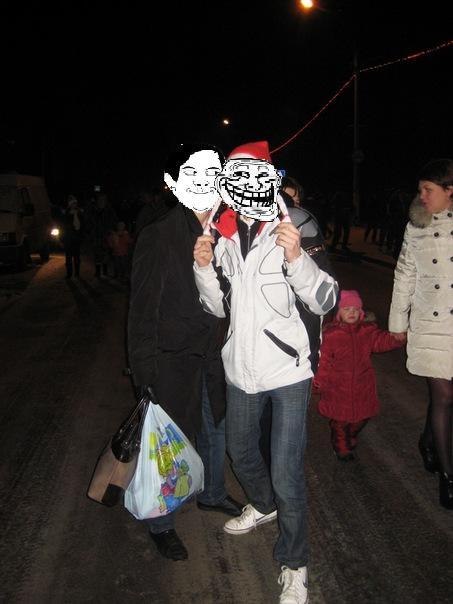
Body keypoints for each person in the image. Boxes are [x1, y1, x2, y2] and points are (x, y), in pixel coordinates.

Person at [194, 141, 338, 603]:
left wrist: (298, 260)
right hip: (241, 370)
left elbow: (327, 301)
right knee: (239, 450)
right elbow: (218, 308)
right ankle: (264, 505)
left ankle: (294, 564)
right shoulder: (224, 232)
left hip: (289, 371)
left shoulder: (296, 224)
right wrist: (203, 268)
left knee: (286, 472)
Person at [127, 142, 243, 562]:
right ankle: (162, 523)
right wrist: (144, 372)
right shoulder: (159, 235)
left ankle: (212, 493)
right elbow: (142, 309)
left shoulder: (225, 232)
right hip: (171, 360)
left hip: (211, 356)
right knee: (169, 444)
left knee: (215, 431)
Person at [388, 158, 453, 510]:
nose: (421, 196)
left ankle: (428, 441)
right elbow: (404, 275)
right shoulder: (416, 227)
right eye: (420, 190)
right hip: (430, 322)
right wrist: (398, 324)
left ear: (449, 190)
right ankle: (448, 475)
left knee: (447, 396)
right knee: (443, 395)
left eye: (428, 189)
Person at [314, 289, 405, 461]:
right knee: (341, 421)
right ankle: (341, 448)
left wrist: (396, 339)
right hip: (338, 387)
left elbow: (381, 341)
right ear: (339, 312)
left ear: (361, 312)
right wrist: (319, 381)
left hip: (363, 386)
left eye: (356, 309)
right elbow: (323, 361)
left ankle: (351, 434)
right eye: (347, 309)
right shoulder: (331, 335)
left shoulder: (367, 331)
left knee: (362, 417)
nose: (352, 312)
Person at [86, 192, 118, 278]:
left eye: (103, 200)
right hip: (96, 236)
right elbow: (88, 222)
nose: (102, 201)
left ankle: (105, 271)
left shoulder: (110, 211)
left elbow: (114, 222)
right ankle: (97, 271)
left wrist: (112, 231)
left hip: (106, 236)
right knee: (97, 254)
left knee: (106, 254)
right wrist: (90, 232)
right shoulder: (93, 211)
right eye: (100, 199)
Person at [61, 194, 84, 279]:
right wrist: (62, 238)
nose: (73, 205)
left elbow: (82, 226)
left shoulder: (79, 213)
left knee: (77, 257)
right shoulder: (65, 213)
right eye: (71, 203)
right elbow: (62, 225)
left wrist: (81, 236)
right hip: (68, 238)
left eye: (74, 203)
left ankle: (77, 273)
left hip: (76, 238)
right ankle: (69, 273)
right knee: (68, 257)